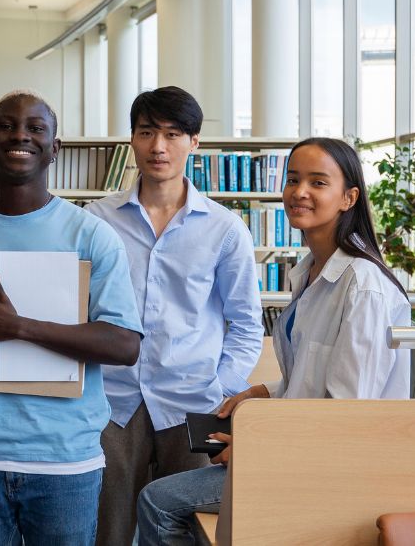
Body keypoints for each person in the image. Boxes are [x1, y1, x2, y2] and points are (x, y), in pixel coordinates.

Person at [137, 137, 411, 546]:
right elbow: (320, 376)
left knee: (160, 501)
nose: (299, 192)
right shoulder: (308, 274)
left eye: (318, 183)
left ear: (348, 198)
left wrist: (256, 446)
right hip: (303, 450)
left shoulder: (363, 287)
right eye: (293, 179)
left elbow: (349, 411)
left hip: (333, 466)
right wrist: (264, 391)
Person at [0, 90, 144, 546]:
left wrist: (19, 328)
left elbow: (125, 345)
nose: (20, 134)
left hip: (66, 463)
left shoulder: (91, 236)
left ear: (54, 147)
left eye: (36, 128)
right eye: (7, 125)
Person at [86, 87, 264, 546]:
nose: (158, 146)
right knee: (106, 531)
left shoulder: (225, 229)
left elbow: (246, 324)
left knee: (188, 532)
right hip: (110, 401)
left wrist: (221, 391)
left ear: (194, 142)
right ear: (132, 140)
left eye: (171, 134)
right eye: (147, 132)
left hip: (193, 403)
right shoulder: (96, 220)